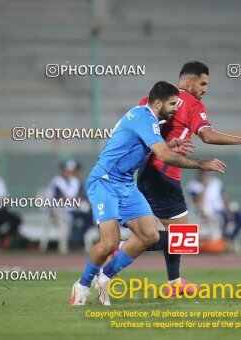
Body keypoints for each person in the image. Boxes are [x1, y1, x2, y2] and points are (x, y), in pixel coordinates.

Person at [70, 81, 226, 305]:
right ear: (158, 102)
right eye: (172, 104)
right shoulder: (144, 117)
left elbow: (141, 145)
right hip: (104, 182)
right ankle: (82, 285)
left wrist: (168, 143)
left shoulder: (151, 119)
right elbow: (163, 156)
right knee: (110, 243)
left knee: (150, 235)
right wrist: (203, 164)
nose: (175, 109)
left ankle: (104, 277)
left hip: (125, 184)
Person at [135, 61, 241, 295]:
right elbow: (207, 136)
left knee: (179, 235)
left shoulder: (155, 99)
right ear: (189, 82)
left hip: (146, 171)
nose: (205, 89)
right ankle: (119, 249)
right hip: (165, 174)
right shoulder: (192, 104)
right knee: (181, 237)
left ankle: (174, 282)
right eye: (203, 83)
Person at [188, 169, 241, 252]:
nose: (205, 176)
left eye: (206, 174)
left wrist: (229, 210)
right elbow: (197, 201)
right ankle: (222, 242)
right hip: (207, 212)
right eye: (203, 174)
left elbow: (224, 197)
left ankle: (231, 238)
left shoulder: (216, 182)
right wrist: (205, 187)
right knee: (221, 218)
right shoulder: (193, 185)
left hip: (221, 209)